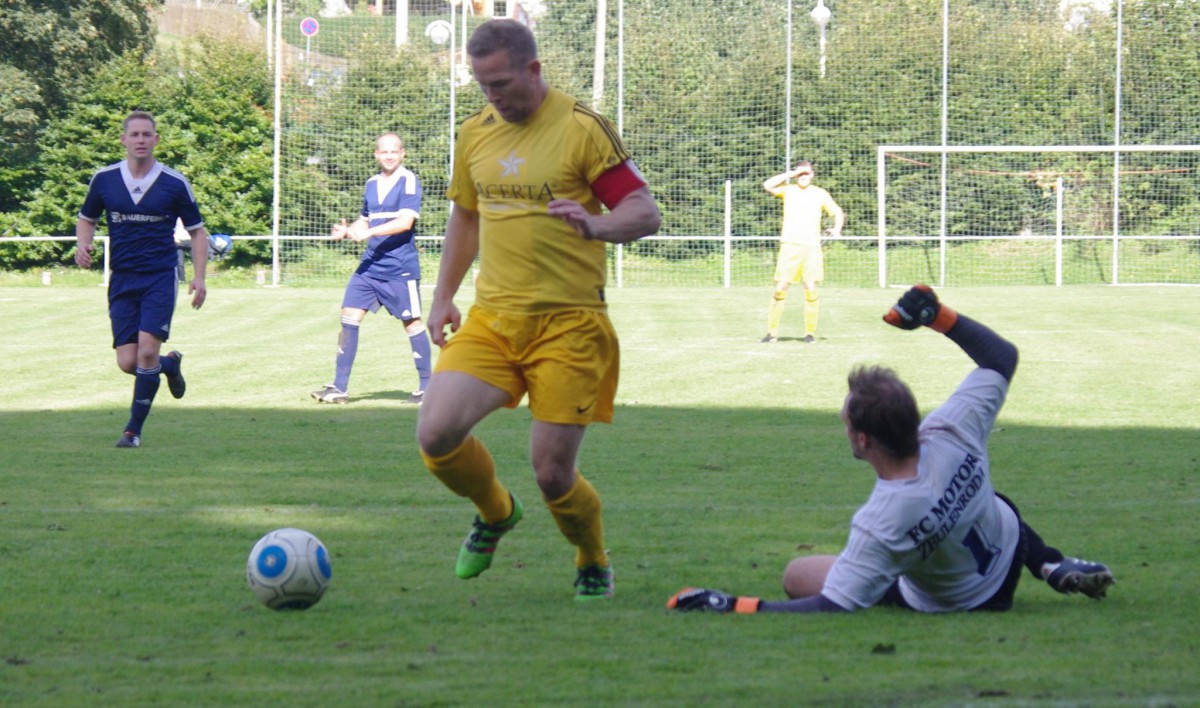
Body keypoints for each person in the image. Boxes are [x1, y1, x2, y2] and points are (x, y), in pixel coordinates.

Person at [668, 285, 1115, 614]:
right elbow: (1002, 357)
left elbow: (832, 606)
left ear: (862, 440)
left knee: (797, 575)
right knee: (992, 502)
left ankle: (1049, 564)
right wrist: (938, 315)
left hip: (967, 600)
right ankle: (1051, 565)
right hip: (1010, 550)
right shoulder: (951, 428)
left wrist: (732, 605)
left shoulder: (883, 518)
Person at [416, 19, 662, 601]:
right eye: (482, 86)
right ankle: (497, 512)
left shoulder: (582, 129)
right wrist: (443, 294)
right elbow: (467, 217)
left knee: (552, 474)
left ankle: (592, 556)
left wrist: (596, 223)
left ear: (534, 69)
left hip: (570, 326)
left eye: (501, 83)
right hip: (494, 321)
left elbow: (644, 212)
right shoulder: (475, 132)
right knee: (436, 435)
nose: (493, 97)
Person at [75, 110, 208, 449]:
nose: (140, 140)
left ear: (156, 140)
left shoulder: (174, 183)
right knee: (128, 362)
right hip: (122, 279)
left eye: (147, 135)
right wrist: (83, 245)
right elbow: (86, 218)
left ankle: (132, 431)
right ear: (123, 139)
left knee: (147, 352)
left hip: (160, 277)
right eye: (134, 135)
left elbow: (197, 232)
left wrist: (199, 277)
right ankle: (171, 365)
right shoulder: (104, 180)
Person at [310, 133, 430, 406]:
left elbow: (405, 223)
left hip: (399, 267)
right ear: (376, 154)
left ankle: (428, 387)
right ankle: (339, 387)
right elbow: (364, 221)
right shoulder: (371, 184)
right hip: (370, 266)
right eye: (383, 152)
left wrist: (368, 233)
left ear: (402, 154)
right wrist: (349, 230)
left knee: (411, 322)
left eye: (394, 151)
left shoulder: (409, 181)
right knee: (348, 316)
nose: (389, 156)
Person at [760, 160, 844, 344]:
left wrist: (837, 229)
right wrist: (791, 173)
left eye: (806, 174)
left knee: (810, 288)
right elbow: (767, 185)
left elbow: (837, 211)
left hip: (811, 247)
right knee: (781, 288)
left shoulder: (819, 193)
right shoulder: (788, 190)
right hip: (790, 246)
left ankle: (809, 334)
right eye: (800, 174)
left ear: (812, 175)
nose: (803, 177)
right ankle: (771, 333)